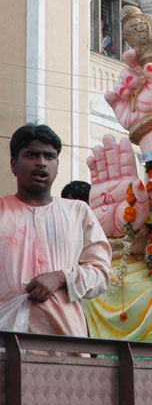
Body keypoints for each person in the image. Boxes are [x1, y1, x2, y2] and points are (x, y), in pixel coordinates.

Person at [0, 124, 112, 336]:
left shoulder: (78, 212)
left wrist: (61, 278)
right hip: (6, 339)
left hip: (66, 342)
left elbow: (102, 273)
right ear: (14, 164)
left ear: (57, 165)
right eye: (32, 155)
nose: (41, 163)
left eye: (49, 157)